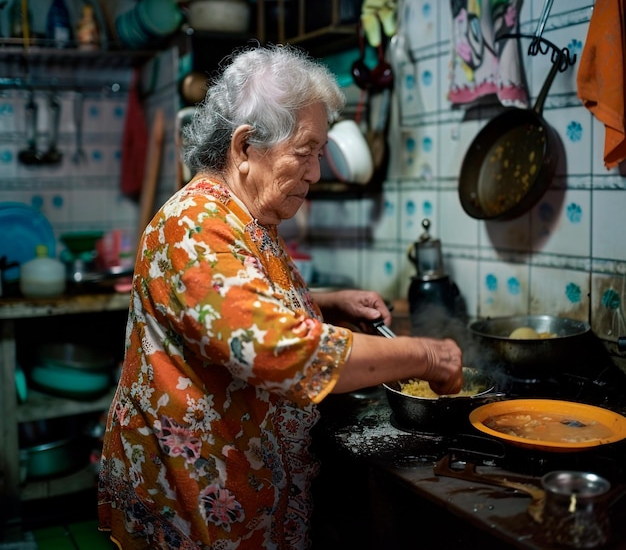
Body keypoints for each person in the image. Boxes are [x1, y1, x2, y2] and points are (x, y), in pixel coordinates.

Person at [98, 44, 463, 550]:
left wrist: (327, 302)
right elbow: (280, 350)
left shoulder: (243, 217)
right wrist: (427, 355)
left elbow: (236, 301)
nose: (316, 171)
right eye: (306, 151)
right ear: (246, 147)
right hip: (192, 499)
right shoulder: (196, 224)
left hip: (237, 482)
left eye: (320, 153)